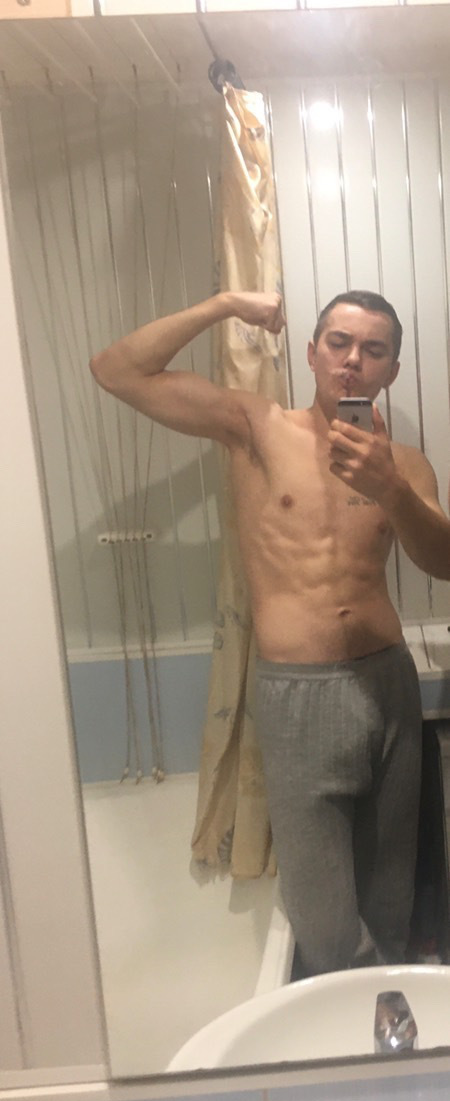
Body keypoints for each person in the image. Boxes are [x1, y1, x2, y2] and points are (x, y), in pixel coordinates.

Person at [90, 289, 450, 975]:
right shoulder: (256, 427)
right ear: (312, 354)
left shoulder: (403, 465)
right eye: (339, 343)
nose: (353, 360)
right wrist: (225, 305)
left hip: (389, 686)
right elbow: (116, 371)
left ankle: (385, 1028)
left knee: (391, 902)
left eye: (373, 350)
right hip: (299, 694)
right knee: (324, 920)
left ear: (392, 371)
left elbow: (445, 562)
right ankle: (336, 1016)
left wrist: (392, 490)